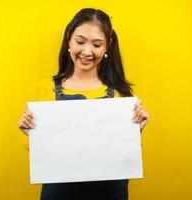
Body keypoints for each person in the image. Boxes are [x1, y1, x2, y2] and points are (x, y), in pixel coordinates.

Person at [18, 8, 149, 200]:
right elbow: (38, 151)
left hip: (110, 191)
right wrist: (31, 132)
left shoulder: (121, 94)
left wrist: (137, 129)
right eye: (80, 42)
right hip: (59, 190)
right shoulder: (47, 88)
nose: (87, 52)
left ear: (107, 47)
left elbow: (125, 154)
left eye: (97, 44)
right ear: (69, 40)